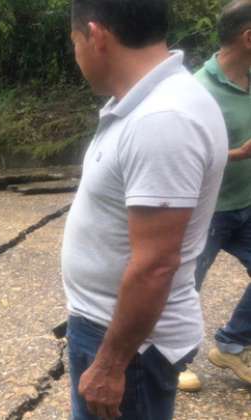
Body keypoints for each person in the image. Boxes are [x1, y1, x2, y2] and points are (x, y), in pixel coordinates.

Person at [62, 1, 228, 419]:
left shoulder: (163, 119)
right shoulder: (148, 103)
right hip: (112, 329)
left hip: (126, 345)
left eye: (75, 41)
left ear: (96, 35)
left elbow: (156, 264)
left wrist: (109, 365)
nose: (77, 53)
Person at [178, 0, 251, 393]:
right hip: (204, 214)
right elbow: (181, 152)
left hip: (246, 205)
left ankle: (232, 343)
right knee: (183, 290)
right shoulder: (197, 91)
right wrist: (238, 153)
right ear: (248, 38)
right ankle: (172, 361)